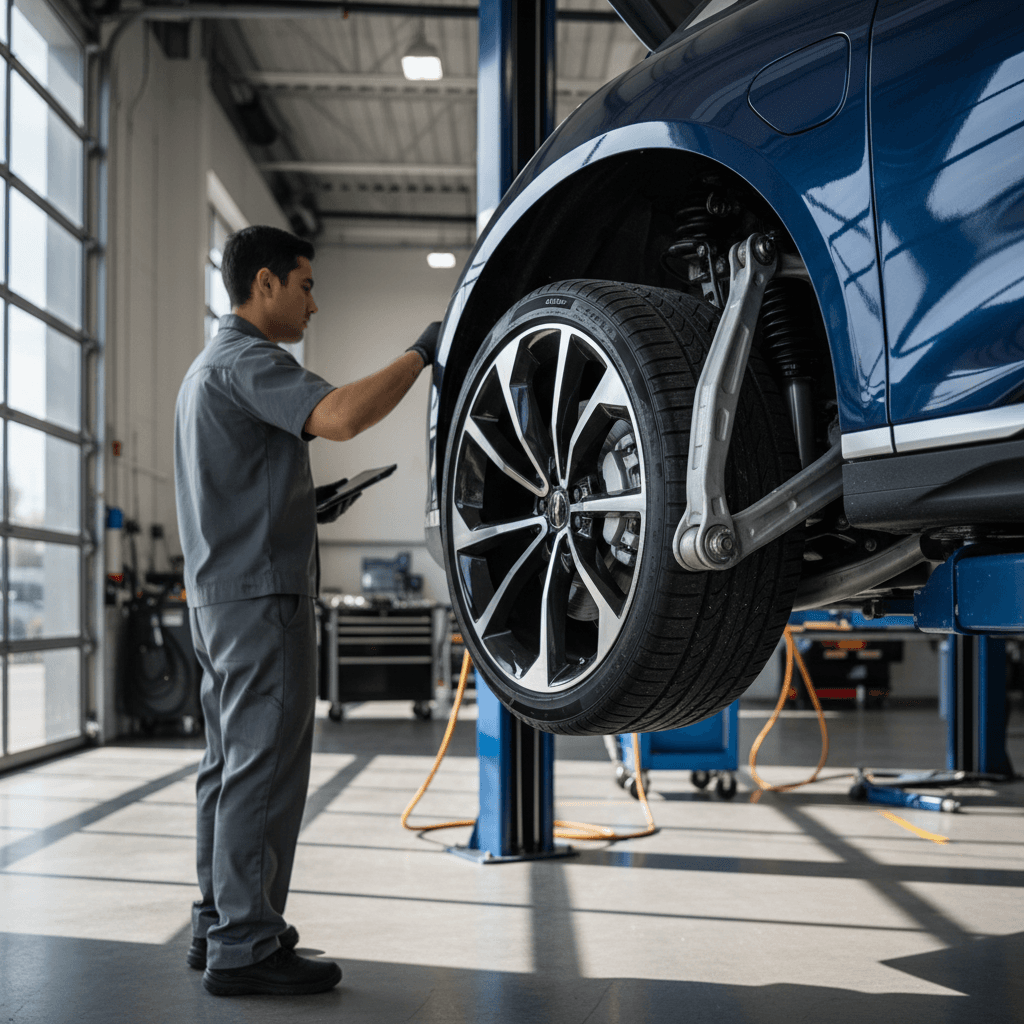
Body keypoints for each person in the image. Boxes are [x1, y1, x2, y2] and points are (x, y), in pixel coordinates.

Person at [174, 225, 439, 997]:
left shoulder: (204, 371)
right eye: (306, 286)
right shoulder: (252, 360)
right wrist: (419, 354)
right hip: (262, 600)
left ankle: (218, 922)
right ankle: (246, 947)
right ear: (265, 283)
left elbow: (233, 487)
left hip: (219, 599)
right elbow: (343, 416)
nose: (313, 304)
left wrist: (303, 503)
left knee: (227, 765)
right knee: (264, 767)